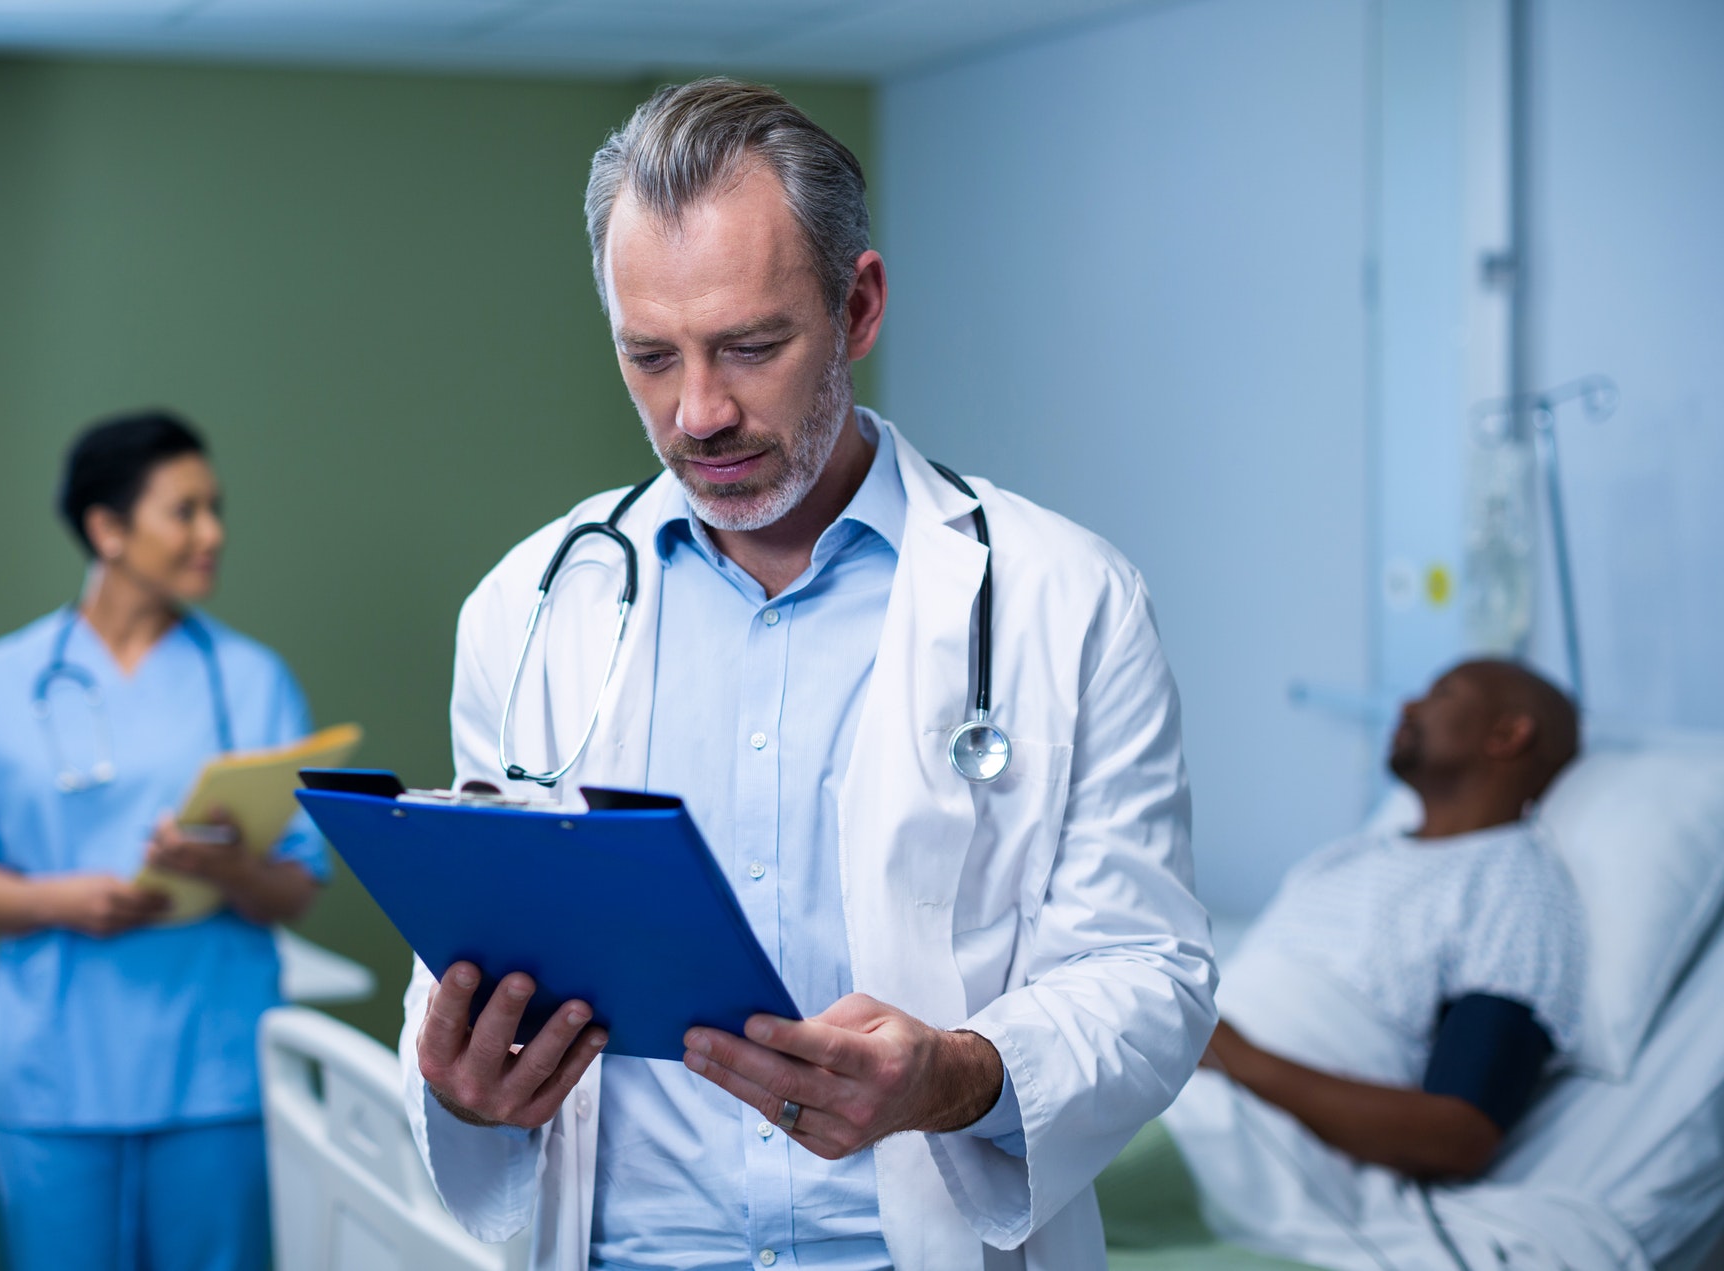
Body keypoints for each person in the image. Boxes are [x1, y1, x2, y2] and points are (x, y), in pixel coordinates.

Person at [397, 79, 1218, 1270]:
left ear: (859, 304)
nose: (697, 412)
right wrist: (466, 1077)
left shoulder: (1064, 598)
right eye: (648, 355)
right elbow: (477, 939)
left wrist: (956, 1074)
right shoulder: (532, 606)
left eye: (750, 345)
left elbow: (1149, 972)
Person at [0, 410, 327, 1271]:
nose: (212, 533)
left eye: (216, 508)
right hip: (50, 1076)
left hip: (213, 1074)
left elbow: (298, 886)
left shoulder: (251, 681)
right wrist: (58, 899)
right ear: (106, 528)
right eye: (185, 510)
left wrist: (230, 867)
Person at [1130, 659, 1586, 1268]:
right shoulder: (1348, 859)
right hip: (1170, 1073)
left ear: (1507, 735)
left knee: (1008, 1166)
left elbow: (1460, 1132)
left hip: (1236, 1132)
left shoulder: (1512, 883)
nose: (1407, 706)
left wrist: (1237, 1059)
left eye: (1441, 692)